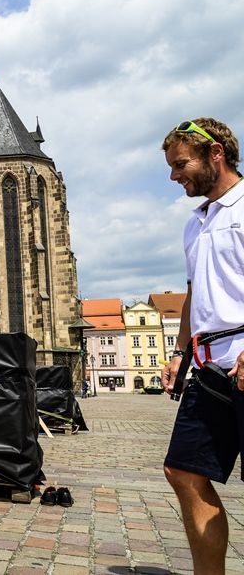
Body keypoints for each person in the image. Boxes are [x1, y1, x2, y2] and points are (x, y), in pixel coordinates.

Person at [159, 118, 244, 574]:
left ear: (216, 155)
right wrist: (179, 353)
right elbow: (195, 295)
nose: (175, 176)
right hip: (210, 368)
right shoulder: (196, 222)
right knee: (184, 472)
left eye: (180, 164)